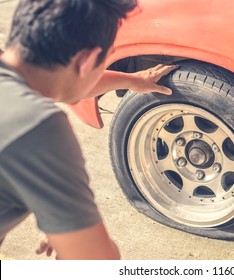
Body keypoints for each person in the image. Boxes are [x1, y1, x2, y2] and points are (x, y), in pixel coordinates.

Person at [0, 0, 177, 259]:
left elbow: (68, 82)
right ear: (88, 59)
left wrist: (132, 80)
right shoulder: (36, 127)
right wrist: (72, 231)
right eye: (103, 61)